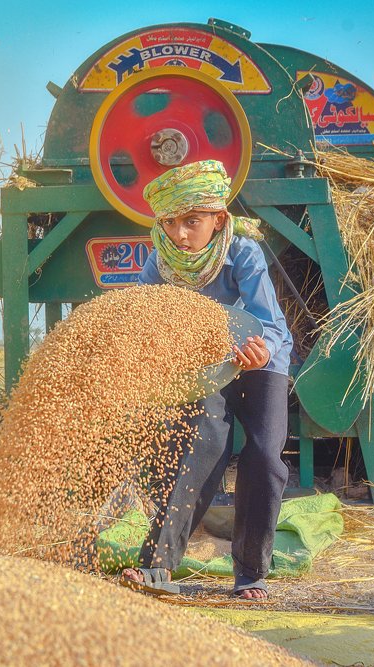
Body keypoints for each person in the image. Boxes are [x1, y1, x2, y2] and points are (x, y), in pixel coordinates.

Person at [120, 159, 293, 600]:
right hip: (204, 369)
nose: (180, 234)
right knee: (202, 446)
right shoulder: (158, 265)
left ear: (218, 219)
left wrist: (261, 350)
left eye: (192, 221)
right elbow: (145, 324)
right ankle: (156, 567)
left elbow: (270, 323)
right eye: (170, 222)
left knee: (264, 457)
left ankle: (250, 573)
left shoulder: (243, 253)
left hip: (258, 361)